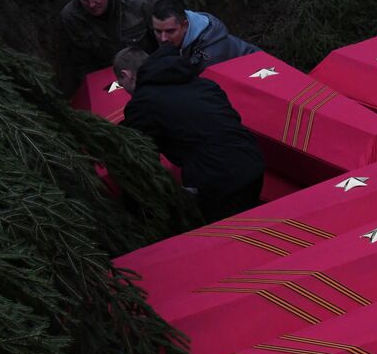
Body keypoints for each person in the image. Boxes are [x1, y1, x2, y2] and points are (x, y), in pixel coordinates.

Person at [113, 46, 264, 223]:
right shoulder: (198, 82)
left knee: (228, 232)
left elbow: (140, 155)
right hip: (251, 161)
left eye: (121, 83)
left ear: (126, 75)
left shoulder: (143, 103)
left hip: (218, 180)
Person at [60, 0, 157, 79]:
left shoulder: (140, 2)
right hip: (113, 79)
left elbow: (168, 42)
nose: (91, 4)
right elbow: (83, 62)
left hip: (152, 70)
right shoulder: (72, 16)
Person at [149, 0, 259, 70]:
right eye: (158, 31)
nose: (163, 38)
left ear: (185, 25)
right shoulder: (186, 31)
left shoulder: (211, 55)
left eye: (170, 31)